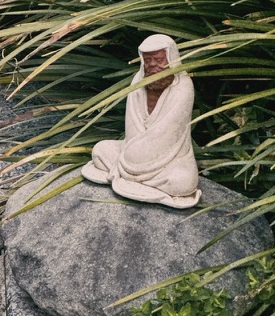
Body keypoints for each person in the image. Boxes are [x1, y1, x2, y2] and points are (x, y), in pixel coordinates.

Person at [81, 34, 201, 209]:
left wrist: (132, 161)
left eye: (159, 59)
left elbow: (167, 134)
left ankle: (128, 178)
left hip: (168, 159)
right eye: (148, 60)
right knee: (100, 150)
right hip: (131, 153)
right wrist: (131, 157)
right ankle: (137, 180)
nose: (153, 65)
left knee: (184, 182)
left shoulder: (183, 87)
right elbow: (132, 126)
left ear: (172, 58)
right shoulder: (138, 81)